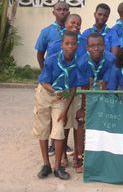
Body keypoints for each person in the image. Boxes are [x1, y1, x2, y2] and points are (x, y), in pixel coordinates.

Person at [33, 30, 78, 180]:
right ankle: (46, 164)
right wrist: (55, 91)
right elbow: (44, 82)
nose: (70, 46)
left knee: (59, 130)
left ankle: (58, 167)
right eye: (67, 43)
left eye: (73, 43)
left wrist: (65, 109)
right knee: (43, 128)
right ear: (62, 45)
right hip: (46, 93)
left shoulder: (77, 63)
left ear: (77, 45)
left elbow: (72, 89)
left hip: (61, 97)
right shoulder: (52, 60)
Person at [75, 33, 115, 173]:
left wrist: (103, 105)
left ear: (104, 46)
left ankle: (105, 155)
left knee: (105, 121)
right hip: (88, 91)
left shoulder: (111, 60)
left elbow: (108, 84)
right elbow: (84, 87)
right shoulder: (82, 62)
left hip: (105, 92)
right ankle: (79, 155)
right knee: (81, 120)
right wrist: (84, 108)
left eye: (99, 45)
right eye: (92, 46)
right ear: (87, 47)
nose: (96, 48)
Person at [35, 1, 70, 69]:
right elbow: (40, 55)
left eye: (65, 10)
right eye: (59, 9)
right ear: (54, 13)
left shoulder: (74, 31)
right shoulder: (46, 32)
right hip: (52, 72)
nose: (62, 12)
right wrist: (45, 72)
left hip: (70, 72)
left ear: (68, 13)